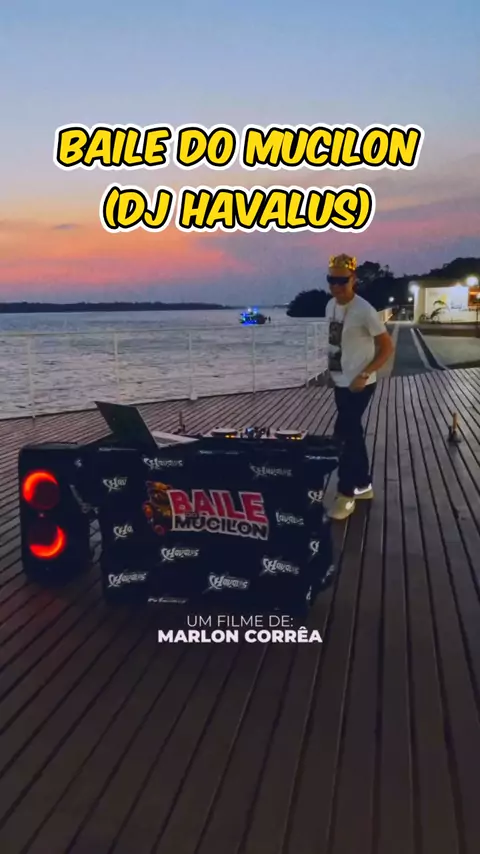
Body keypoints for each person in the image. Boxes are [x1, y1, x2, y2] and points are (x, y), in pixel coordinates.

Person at [325, 254, 394, 520]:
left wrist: (364, 374)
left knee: (343, 435)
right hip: (340, 382)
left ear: (353, 279)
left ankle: (346, 495)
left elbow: (387, 347)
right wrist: (332, 372)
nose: (336, 285)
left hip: (360, 384)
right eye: (331, 279)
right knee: (353, 434)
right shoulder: (330, 306)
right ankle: (363, 485)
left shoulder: (364, 310)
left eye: (342, 280)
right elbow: (336, 343)